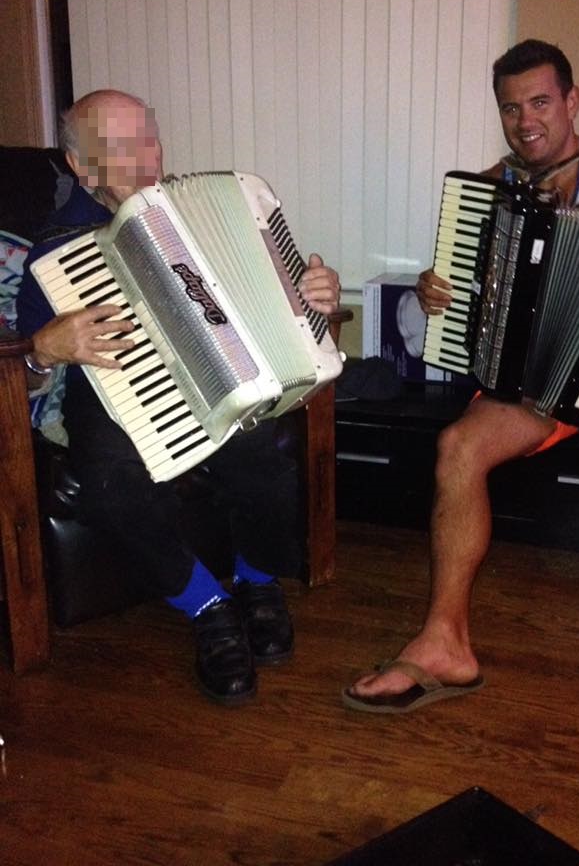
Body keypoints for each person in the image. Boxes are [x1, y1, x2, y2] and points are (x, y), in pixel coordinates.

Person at [343, 38, 579, 713]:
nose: (527, 121)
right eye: (511, 108)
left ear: (572, 101)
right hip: (546, 380)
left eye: (540, 101)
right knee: (457, 448)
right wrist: (439, 289)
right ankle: (445, 645)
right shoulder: (488, 191)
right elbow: (460, 292)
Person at [17, 89, 341, 706]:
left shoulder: (209, 214)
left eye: (149, 137)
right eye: (120, 146)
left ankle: (257, 579)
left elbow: (281, 308)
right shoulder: (56, 252)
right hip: (116, 397)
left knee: (265, 458)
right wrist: (44, 350)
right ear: (82, 167)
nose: (146, 156)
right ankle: (207, 605)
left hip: (219, 381)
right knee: (112, 482)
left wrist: (314, 296)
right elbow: (26, 380)